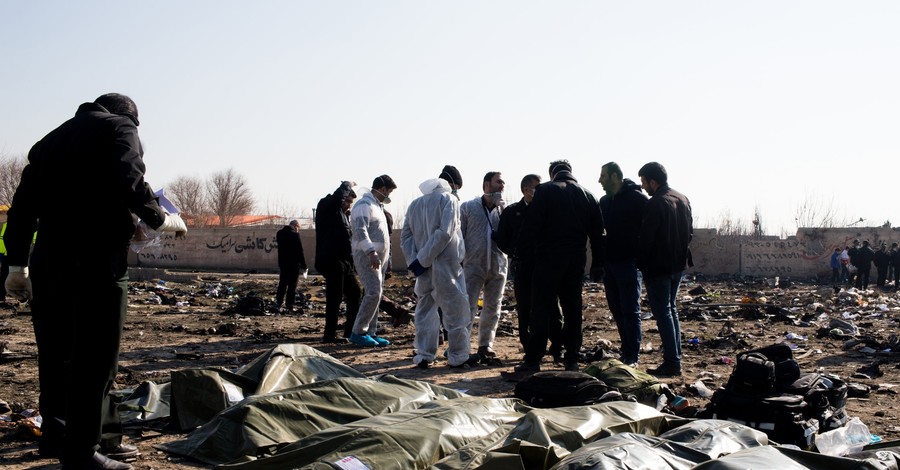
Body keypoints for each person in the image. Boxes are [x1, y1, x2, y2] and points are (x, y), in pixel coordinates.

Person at [4, 93, 187, 470]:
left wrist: (16, 266)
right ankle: (82, 453)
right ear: (130, 118)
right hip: (96, 264)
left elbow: (21, 210)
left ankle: (54, 436)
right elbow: (129, 177)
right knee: (95, 358)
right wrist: (157, 218)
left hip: (48, 264)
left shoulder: (49, 141)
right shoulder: (120, 127)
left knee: (55, 354)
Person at [509, 160, 604, 377]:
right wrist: (598, 263)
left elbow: (531, 226)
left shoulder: (545, 191)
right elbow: (598, 236)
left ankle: (533, 360)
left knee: (540, 310)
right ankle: (571, 359)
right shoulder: (588, 196)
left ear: (552, 174)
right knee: (573, 310)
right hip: (575, 261)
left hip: (548, 260)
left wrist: (519, 256)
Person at [400, 165, 480, 369]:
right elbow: (445, 233)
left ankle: (425, 354)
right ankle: (458, 356)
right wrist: (425, 258)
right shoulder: (450, 200)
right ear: (451, 184)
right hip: (447, 267)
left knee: (425, 311)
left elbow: (406, 236)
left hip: (423, 270)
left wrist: (415, 261)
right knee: (456, 311)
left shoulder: (415, 204)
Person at [495, 174, 564, 361]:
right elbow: (501, 239)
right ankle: (530, 347)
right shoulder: (512, 212)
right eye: (537, 187)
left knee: (552, 308)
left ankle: (558, 346)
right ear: (526, 190)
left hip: (546, 265)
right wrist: (515, 252)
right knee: (525, 308)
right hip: (524, 266)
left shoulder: (547, 210)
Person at [636, 162, 693, 378]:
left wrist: (640, 262)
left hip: (658, 267)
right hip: (677, 266)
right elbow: (689, 234)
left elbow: (647, 239)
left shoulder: (656, 203)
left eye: (644, 182)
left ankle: (672, 362)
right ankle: (674, 358)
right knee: (671, 311)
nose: (643, 187)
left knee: (664, 313)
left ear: (653, 181)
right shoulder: (683, 199)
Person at [598, 162, 649, 367]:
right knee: (617, 309)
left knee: (630, 310)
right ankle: (625, 351)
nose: (599, 180)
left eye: (603, 176)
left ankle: (632, 355)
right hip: (610, 264)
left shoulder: (638, 199)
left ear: (614, 177)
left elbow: (648, 230)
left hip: (629, 263)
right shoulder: (604, 201)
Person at [459, 171, 508, 359]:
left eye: (503, 182)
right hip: (473, 265)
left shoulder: (504, 210)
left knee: (493, 307)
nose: (502, 185)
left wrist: (503, 211)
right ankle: (462, 344)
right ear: (486, 184)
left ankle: (485, 345)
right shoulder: (468, 208)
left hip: (498, 266)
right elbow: (460, 236)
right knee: (468, 306)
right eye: (498, 182)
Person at [347, 175, 396, 347]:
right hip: (367, 256)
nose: (388, 195)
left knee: (377, 293)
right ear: (382, 189)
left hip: (377, 257)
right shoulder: (363, 205)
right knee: (373, 292)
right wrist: (370, 252)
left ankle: (370, 332)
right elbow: (360, 231)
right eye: (388, 191)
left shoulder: (377, 207)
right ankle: (358, 331)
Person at [315, 182, 361, 342]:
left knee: (355, 292)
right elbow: (337, 198)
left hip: (344, 262)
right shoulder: (327, 206)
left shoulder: (343, 215)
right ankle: (329, 335)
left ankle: (350, 331)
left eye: (350, 203)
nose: (348, 206)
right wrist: (348, 184)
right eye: (347, 201)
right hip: (331, 260)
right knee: (334, 298)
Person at [275, 220, 308, 313]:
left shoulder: (279, 233)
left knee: (282, 283)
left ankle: (279, 302)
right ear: (296, 226)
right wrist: (304, 265)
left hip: (283, 263)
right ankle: (289, 305)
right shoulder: (295, 235)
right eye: (298, 228)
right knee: (292, 286)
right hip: (294, 264)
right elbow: (299, 251)